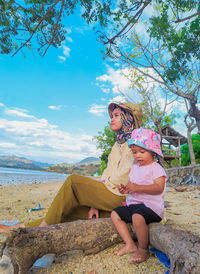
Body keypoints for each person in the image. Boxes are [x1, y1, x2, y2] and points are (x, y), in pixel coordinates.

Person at [0, 102, 143, 232]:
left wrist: (96, 195)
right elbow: (107, 173)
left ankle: (40, 230)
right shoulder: (117, 145)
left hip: (121, 196)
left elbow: (122, 177)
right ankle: (21, 228)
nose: (112, 119)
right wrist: (95, 203)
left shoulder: (135, 145)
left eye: (117, 115)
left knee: (73, 181)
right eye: (112, 115)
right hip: (110, 196)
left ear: (128, 118)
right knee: (69, 210)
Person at [111, 128, 167, 263]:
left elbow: (159, 188)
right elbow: (132, 185)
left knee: (137, 217)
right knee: (115, 214)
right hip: (135, 205)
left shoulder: (156, 168)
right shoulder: (135, 168)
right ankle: (129, 244)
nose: (138, 156)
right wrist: (125, 189)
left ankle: (143, 249)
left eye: (142, 152)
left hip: (151, 208)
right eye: (135, 152)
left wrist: (138, 187)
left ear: (153, 152)